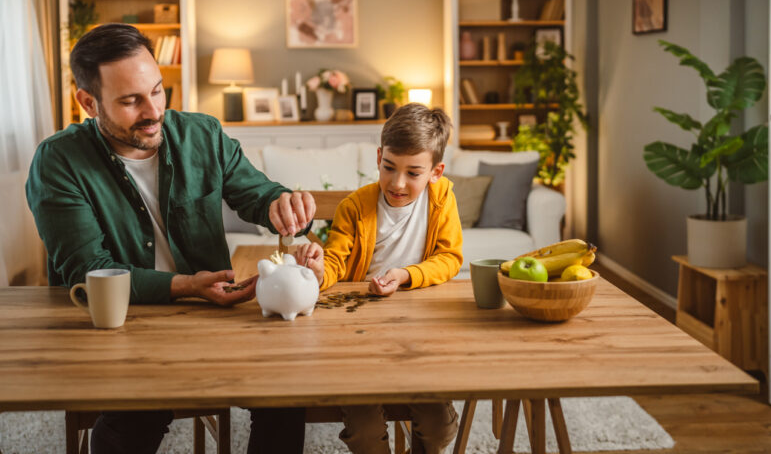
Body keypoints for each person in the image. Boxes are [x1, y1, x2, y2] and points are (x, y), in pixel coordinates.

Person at [25, 23, 319, 454]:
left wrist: (282, 204)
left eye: (158, 91)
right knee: (138, 412)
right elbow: (90, 273)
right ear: (88, 102)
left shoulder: (203, 134)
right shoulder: (59, 161)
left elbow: (257, 194)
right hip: (124, 326)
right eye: (130, 100)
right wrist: (185, 286)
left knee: (285, 392)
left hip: (211, 319)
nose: (153, 110)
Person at [298, 102, 462, 454]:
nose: (398, 183)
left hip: (421, 330)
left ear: (436, 171)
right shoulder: (355, 207)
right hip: (359, 336)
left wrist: (405, 275)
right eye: (389, 167)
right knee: (364, 429)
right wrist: (317, 270)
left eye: (413, 173)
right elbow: (336, 266)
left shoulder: (443, 198)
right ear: (378, 157)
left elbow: (449, 257)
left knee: (438, 426)